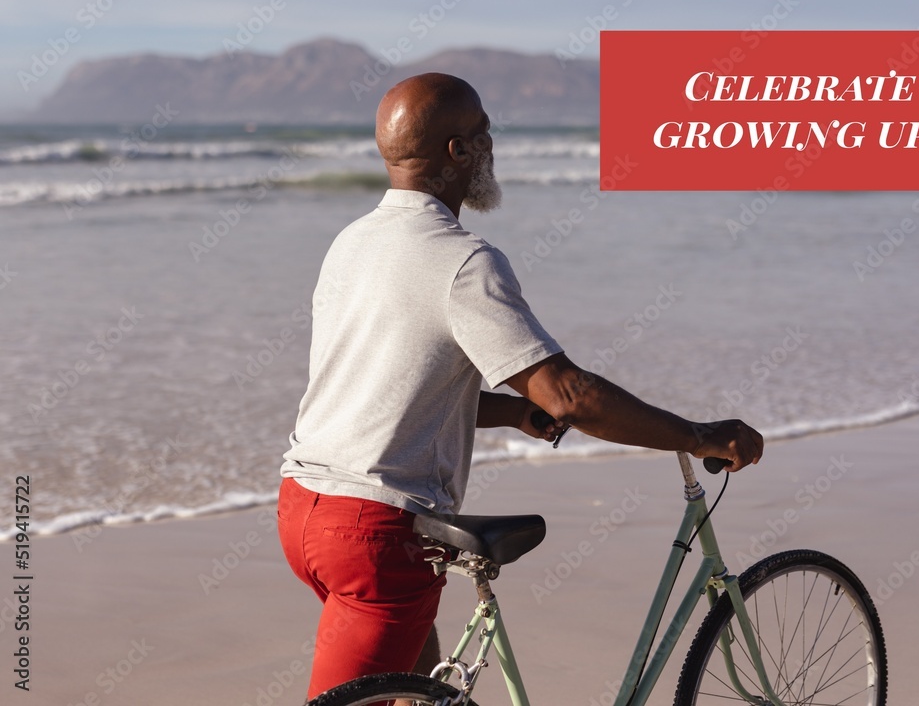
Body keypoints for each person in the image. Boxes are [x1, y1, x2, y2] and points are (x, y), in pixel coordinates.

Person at [278, 73, 763, 701]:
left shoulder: (351, 244)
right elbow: (569, 394)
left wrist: (509, 413)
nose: (491, 145)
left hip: (302, 511)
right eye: (484, 132)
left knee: (411, 695)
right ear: (458, 152)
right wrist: (697, 434)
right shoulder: (461, 260)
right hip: (375, 534)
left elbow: (384, 388)